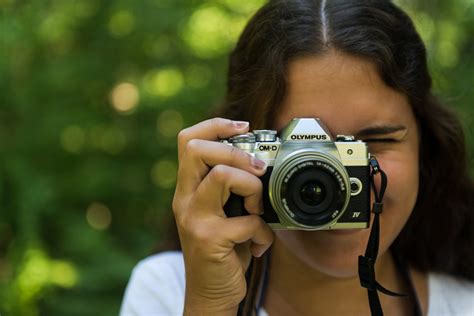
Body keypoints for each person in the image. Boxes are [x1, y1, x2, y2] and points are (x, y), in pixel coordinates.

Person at [120, 0, 474, 315]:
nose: (329, 176)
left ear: (425, 148)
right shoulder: (172, 291)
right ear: (235, 152)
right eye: (297, 149)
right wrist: (212, 304)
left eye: (373, 140)